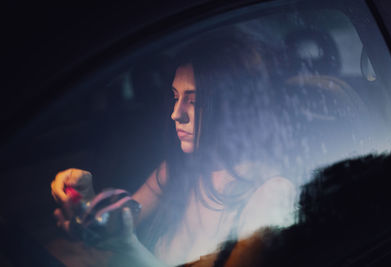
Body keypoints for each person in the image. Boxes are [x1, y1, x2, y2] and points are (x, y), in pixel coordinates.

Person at [51, 28, 297, 266]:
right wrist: (86, 202)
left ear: (236, 106)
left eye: (194, 100)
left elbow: (122, 243)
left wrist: (128, 247)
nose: (175, 114)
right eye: (176, 97)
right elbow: (116, 230)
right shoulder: (179, 167)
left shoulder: (270, 195)